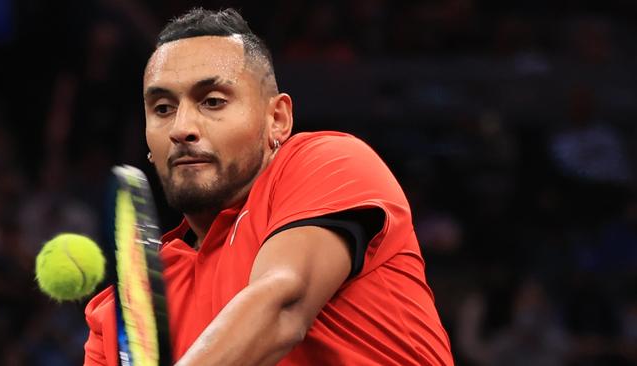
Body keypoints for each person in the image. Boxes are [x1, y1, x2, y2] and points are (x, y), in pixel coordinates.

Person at [84, 7, 453, 366]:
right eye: (163, 108)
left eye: (212, 102)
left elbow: (282, 307)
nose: (181, 128)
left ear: (277, 119)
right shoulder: (121, 311)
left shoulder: (329, 163)